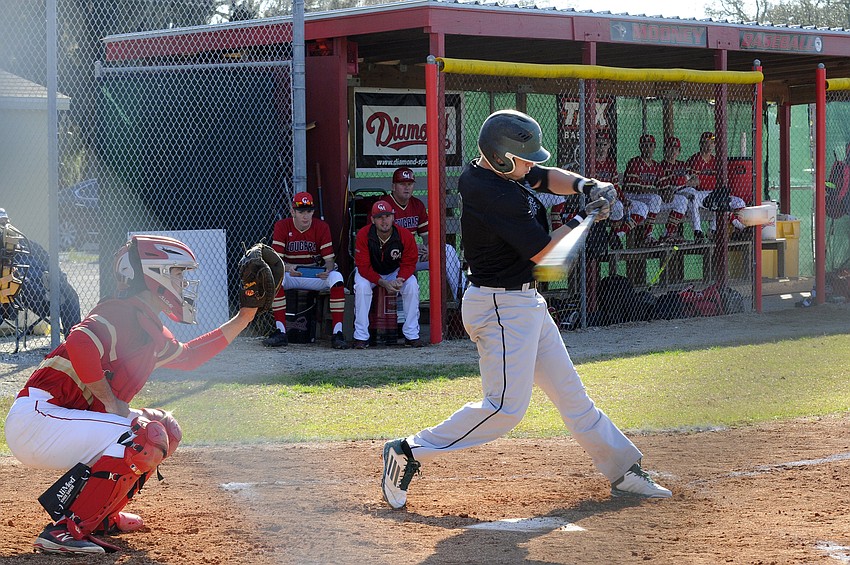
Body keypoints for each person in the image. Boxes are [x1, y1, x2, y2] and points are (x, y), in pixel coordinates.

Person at [380, 109, 672, 510]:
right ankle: (408, 451)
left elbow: (543, 175)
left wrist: (587, 186)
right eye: (525, 157)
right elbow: (543, 253)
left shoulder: (502, 171)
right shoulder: (491, 192)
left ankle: (624, 471)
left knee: (572, 396)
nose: (532, 163)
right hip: (499, 307)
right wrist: (584, 214)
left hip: (523, 303)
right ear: (501, 157)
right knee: (503, 408)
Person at [4, 234, 269, 555]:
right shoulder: (121, 312)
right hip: (37, 420)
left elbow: (188, 357)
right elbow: (80, 342)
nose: (184, 281)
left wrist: (245, 317)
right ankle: (65, 529)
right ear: (154, 274)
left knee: (165, 430)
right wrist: (110, 401)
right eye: (177, 273)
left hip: (56, 421)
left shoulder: (146, 324)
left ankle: (99, 516)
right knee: (141, 435)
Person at [264, 192, 348, 349]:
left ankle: (338, 333)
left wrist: (327, 270)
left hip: (315, 274)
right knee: (275, 277)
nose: (305, 216)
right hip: (291, 272)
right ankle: (281, 331)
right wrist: (289, 268)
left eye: (308, 211)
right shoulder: (282, 226)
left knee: (337, 278)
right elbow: (276, 261)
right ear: (293, 212)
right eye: (301, 211)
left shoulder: (321, 227)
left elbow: (329, 260)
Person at [380, 167, 467, 300]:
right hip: (391, 258)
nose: (406, 188)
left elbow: (427, 237)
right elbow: (380, 242)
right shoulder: (384, 205)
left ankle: (462, 297)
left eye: (409, 184)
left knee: (448, 251)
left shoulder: (417, 205)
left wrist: (429, 249)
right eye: (402, 184)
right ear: (393, 186)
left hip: (413, 256)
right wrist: (412, 248)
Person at [0, 208, 82, 337]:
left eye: (5, 222)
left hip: (46, 282)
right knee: (23, 282)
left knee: (71, 295)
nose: (4, 227)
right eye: (0, 223)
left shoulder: (26, 243)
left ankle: (73, 340)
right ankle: (50, 295)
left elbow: (49, 261)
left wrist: (59, 276)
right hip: (24, 288)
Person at [352, 200, 422, 349]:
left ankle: (411, 334)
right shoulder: (364, 234)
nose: (384, 221)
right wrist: (382, 282)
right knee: (362, 287)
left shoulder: (404, 235)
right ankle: (361, 336)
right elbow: (363, 267)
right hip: (371, 272)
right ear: (372, 219)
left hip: (394, 272)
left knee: (412, 285)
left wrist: (400, 279)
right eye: (379, 217)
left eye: (387, 216)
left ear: (393, 217)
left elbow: (410, 262)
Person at [623, 134, 691, 246]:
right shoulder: (634, 162)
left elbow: (663, 186)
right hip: (632, 197)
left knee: (681, 200)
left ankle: (668, 235)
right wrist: (659, 192)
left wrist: (667, 192)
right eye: (645, 145)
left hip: (649, 200)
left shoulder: (656, 166)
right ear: (640, 147)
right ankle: (647, 236)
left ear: (654, 147)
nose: (648, 148)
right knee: (656, 198)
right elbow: (633, 187)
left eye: (651, 145)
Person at [685, 131, 748, 240]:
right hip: (700, 195)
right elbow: (694, 182)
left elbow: (722, 181)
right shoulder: (695, 159)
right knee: (694, 197)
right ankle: (698, 232)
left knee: (739, 202)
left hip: (715, 193)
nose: (710, 145)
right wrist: (709, 180)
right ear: (701, 143)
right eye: (707, 142)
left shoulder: (716, 160)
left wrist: (703, 179)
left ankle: (715, 230)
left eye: (712, 142)